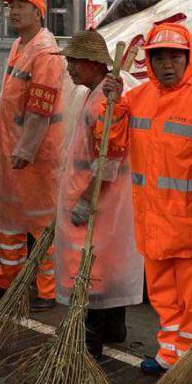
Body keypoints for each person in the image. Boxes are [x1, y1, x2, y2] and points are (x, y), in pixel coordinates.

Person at [102, 22, 192, 376]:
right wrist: (108, 106)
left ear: (189, 59)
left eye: (175, 56)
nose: (167, 64)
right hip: (153, 223)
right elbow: (110, 144)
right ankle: (170, 352)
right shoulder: (136, 100)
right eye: (159, 57)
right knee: (164, 297)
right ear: (149, 62)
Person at [55, 31, 142, 358]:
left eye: (73, 62)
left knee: (88, 267)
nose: (69, 69)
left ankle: (89, 342)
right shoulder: (95, 93)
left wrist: (86, 198)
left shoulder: (105, 99)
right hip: (100, 198)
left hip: (97, 200)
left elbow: (108, 157)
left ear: (93, 63)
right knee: (106, 263)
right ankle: (113, 328)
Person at [0, 0, 65, 310]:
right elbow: (14, 91)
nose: (13, 11)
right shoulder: (20, 45)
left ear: (38, 13)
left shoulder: (45, 53)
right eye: (11, 6)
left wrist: (27, 149)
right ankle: (9, 282)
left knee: (41, 223)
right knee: (10, 220)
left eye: (21, 6)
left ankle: (47, 292)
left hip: (36, 157)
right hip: (12, 150)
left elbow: (40, 109)